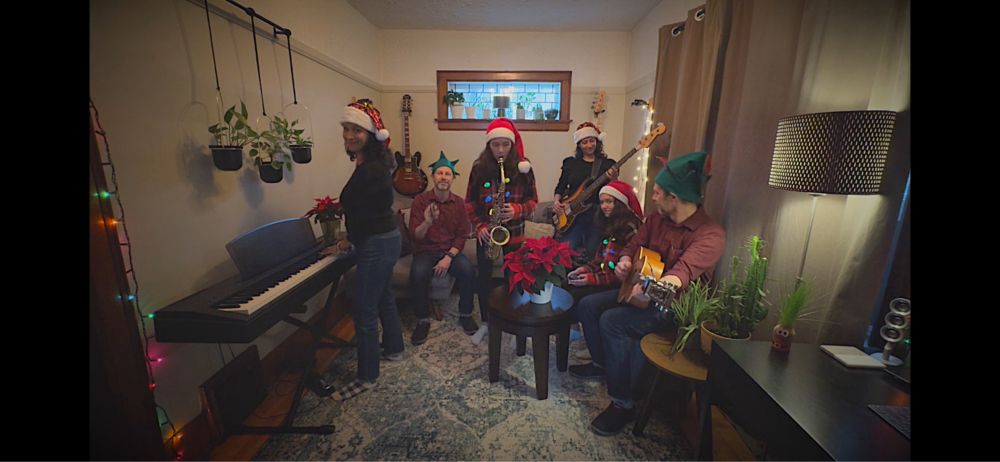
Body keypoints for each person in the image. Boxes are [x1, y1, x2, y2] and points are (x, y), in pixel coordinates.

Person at [568, 151, 725, 436]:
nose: (652, 197)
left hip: (674, 309)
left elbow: (681, 274)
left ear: (674, 197)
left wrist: (657, 285)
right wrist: (625, 262)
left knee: (612, 321)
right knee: (588, 305)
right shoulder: (655, 220)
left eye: (657, 192)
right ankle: (603, 365)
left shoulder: (710, 234)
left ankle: (622, 403)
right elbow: (633, 247)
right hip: (642, 293)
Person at [326, 99, 404, 401]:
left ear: (370, 134)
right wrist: (351, 237)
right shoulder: (367, 163)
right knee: (383, 296)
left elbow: (368, 215)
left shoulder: (373, 169)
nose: (349, 135)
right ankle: (394, 349)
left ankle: (367, 376)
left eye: (356, 130)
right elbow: (365, 210)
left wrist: (350, 241)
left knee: (363, 309)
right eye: (346, 128)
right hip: (383, 238)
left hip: (377, 242)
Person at [465, 118, 539, 339]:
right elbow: (469, 202)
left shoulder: (524, 168)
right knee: (484, 278)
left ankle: (511, 318)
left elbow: (533, 200)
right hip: (487, 232)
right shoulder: (479, 168)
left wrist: (517, 209)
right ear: (488, 145)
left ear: (512, 145)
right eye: (495, 145)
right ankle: (486, 320)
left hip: (514, 231)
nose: (500, 150)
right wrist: (479, 225)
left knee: (513, 276)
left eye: (505, 145)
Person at [407, 152, 477, 344]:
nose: (443, 177)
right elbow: (415, 236)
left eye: (448, 174)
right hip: (425, 251)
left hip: (449, 250)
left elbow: (462, 235)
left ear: (453, 178)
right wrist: (427, 222)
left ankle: (466, 315)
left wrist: (448, 258)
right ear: (433, 177)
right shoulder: (420, 201)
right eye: (440, 173)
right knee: (417, 274)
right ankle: (422, 320)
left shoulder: (459, 203)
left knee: (468, 271)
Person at [565, 180, 644, 300]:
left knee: (578, 295)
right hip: (603, 278)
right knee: (567, 284)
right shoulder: (608, 223)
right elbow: (599, 261)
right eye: (602, 202)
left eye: (609, 202)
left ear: (620, 203)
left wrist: (591, 279)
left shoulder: (631, 227)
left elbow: (627, 274)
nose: (604, 206)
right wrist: (584, 269)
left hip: (619, 285)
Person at [552, 122, 619, 261]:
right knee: (564, 250)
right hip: (572, 214)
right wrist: (556, 202)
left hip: (596, 214)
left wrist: (614, 178)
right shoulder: (570, 163)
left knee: (593, 251)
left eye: (591, 141)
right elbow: (561, 186)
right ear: (579, 145)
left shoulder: (607, 164)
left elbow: (613, 190)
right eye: (584, 142)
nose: (589, 145)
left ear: (597, 142)